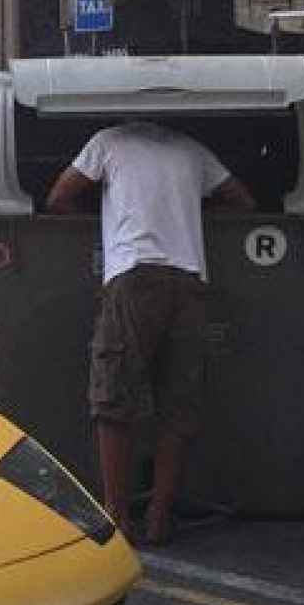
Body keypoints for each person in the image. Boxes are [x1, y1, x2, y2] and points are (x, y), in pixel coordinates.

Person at [45, 121, 256, 545]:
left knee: (114, 396)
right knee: (178, 403)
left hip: (135, 272)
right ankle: (160, 516)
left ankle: (117, 515)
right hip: (189, 280)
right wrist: (196, 215)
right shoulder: (191, 147)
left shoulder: (107, 142)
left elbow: (58, 197)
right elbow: (243, 201)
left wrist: (101, 219)